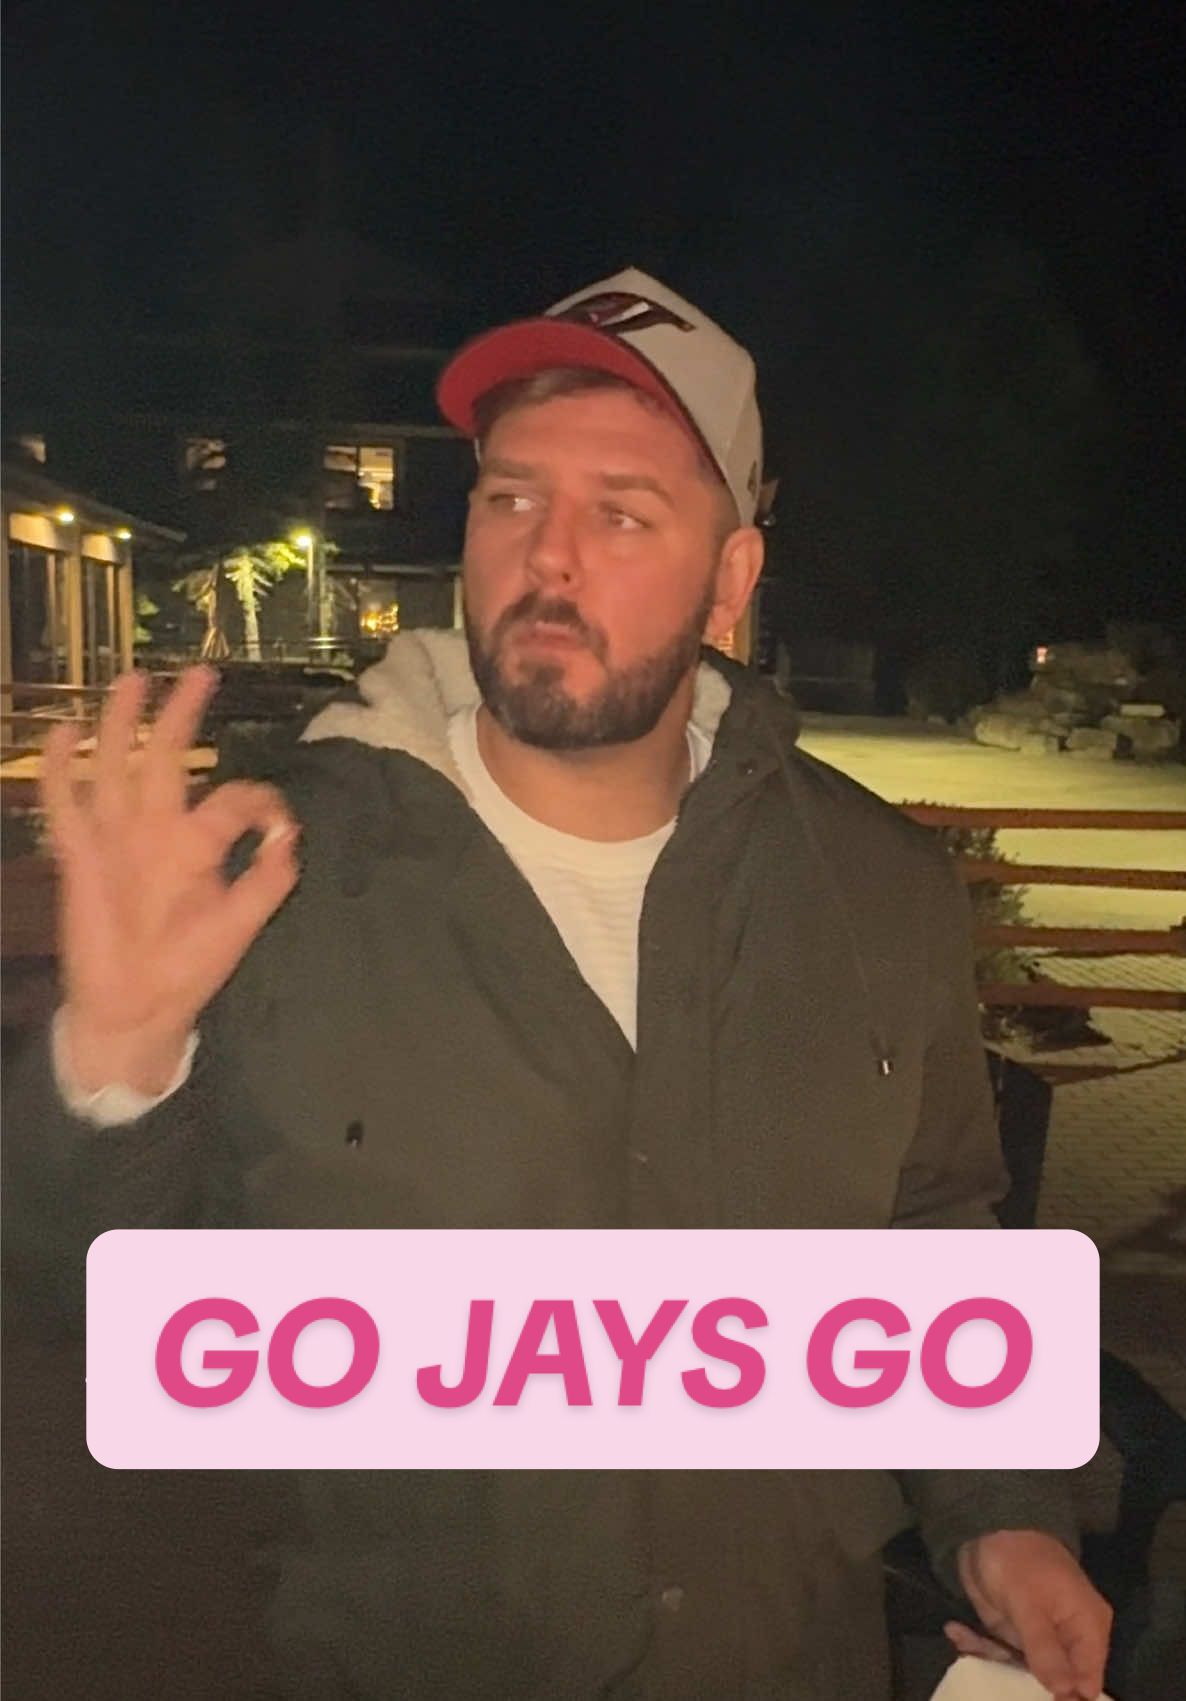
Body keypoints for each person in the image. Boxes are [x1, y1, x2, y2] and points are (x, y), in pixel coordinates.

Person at [9, 268, 1110, 1699]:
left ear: (731, 580)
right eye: (511, 498)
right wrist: (111, 1060)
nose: (549, 556)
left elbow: (931, 1227)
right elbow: (74, 1302)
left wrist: (1002, 1512)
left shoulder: (878, 888)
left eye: (624, 513)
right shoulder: (268, 870)